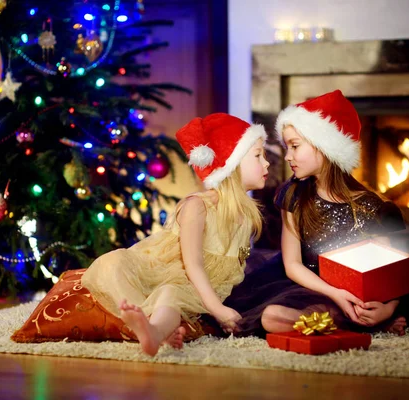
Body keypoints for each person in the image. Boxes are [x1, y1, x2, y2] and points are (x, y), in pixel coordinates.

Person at [224, 90, 409, 337]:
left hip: (358, 291)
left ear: (325, 147)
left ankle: (368, 320)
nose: (288, 156)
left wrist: (387, 309)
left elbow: (389, 275)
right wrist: (335, 293)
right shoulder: (293, 195)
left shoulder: (372, 207)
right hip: (308, 282)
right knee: (268, 315)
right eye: (286, 147)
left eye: (295, 146)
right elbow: (292, 265)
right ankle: (349, 323)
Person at [81, 113, 270, 356]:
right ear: (232, 165)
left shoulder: (246, 214)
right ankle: (149, 324)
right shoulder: (199, 206)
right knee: (115, 263)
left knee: (171, 295)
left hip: (201, 285)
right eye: (258, 155)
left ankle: (155, 331)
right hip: (172, 270)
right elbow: (193, 264)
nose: (266, 163)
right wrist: (218, 309)